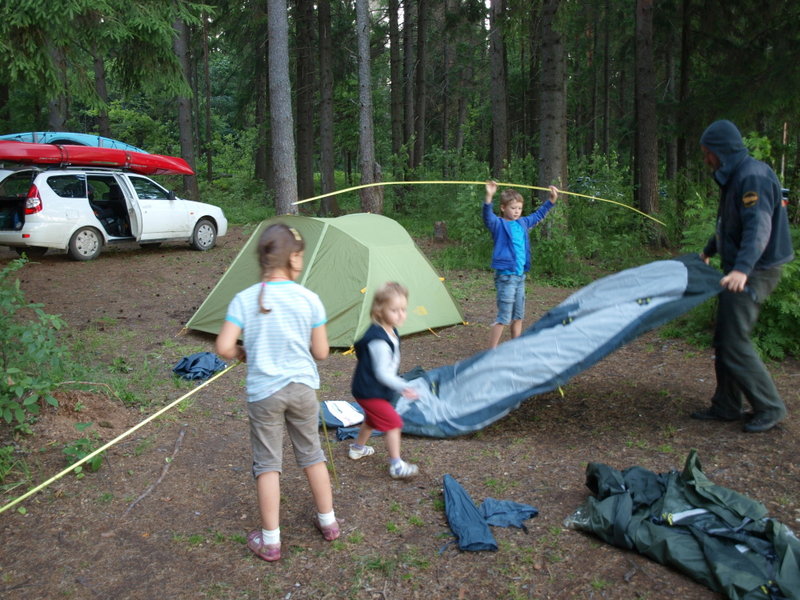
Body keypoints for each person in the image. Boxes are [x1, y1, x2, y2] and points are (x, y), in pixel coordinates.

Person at [215, 223, 339, 562]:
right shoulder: (309, 299)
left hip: (263, 394)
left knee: (268, 464)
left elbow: (224, 346)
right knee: (312, 455)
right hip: (302, 389)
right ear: (295, 259)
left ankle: (271, 540)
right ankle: (328, 522)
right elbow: (323, 352)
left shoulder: (244, 299)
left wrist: (242, 353)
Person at [691, 119, 794, 433]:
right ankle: (726, 406)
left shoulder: (752, 176)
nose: (706, 158)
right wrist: (710, 249)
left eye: (708, 152)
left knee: (734, 340)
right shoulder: (735, 175)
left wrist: (741, 270)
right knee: (725, 337)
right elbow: (729, 224)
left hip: (757, 270)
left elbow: (758, 228)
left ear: (722, 151)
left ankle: (770, 407)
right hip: (743, 267)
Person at [348, 282, 420, 479]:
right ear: (379, 311)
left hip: (373, 389)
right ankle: (396, 465)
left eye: (403, 309)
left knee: (371, 420)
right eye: (394, 310)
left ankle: (357, 448)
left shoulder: (391, 331)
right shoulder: (378, 340)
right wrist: (403, 385)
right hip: (369, 391)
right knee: (393, 423)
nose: (400, 314)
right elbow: (382, 373)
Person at [483, 181, 559, 348]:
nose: (517, 211)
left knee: (518, 316)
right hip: (506, 277)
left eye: (519, 208)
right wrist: (489, 196)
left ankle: (515, 350)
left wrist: (551, 201)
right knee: (504, 317)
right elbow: (487, 217)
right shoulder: (499, 224)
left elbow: (538, 215)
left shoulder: (523, 223)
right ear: (503, 208)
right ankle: (490, 353)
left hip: (520, 277)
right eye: (513, 208)